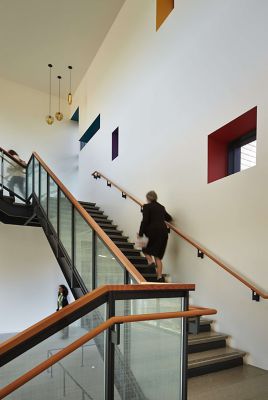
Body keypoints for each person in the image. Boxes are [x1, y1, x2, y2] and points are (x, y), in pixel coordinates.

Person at [138, 191, 172, 282]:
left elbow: (144, 221)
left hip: (152, 232)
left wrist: (140, 234)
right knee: (158, 256)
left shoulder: (146, 207)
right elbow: (168, 218)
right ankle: (160, 277)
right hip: (164, 233)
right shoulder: (161, 207)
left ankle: (150, 261)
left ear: (148, 198)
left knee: (143, 247)